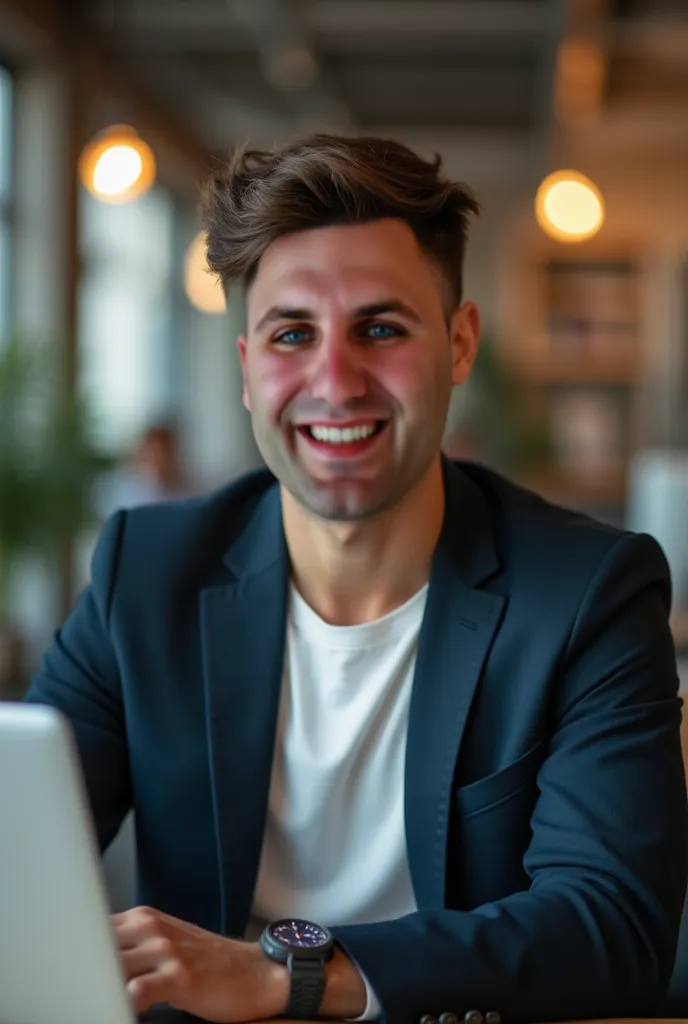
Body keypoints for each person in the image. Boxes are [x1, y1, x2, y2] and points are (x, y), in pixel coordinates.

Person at [26, 134, 687, 1024]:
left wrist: (286, 976)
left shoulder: (586, 594)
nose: (335, 383)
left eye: (380, 329)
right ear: (249, 371)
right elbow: (18, 860)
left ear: (458, 344)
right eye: (292, 334)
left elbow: (614, 930)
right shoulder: (143, 573)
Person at [93, 420, 195, 519]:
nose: (159, 461)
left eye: (163, 454)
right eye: (153, 454)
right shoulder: (128, 493)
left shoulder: (191, 491)